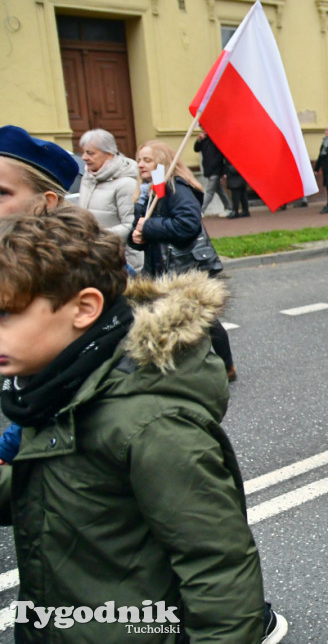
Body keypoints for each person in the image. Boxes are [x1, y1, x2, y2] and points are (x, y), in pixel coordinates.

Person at [0, 206, 285, 642]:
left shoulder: (151, 423)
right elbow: (48, 487)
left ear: (84, 308)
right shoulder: (52, 387)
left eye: (5, 314)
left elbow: (217, 566)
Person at [0, 125, 80, 471]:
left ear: (45, 203)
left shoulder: (81, 273)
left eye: (1, 193)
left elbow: (58, 385)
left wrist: (7, 448)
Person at [131, 140, 236, 381]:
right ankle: (174, 370)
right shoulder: (149, 191)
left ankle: (226, 366)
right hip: (158, 265)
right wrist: (136, 237)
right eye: (139, 159)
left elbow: (188, 224)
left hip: (184, 265)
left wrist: (148, 227)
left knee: (204, 319)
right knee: (163, 316)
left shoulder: (178, 188)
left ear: (162, 161)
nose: (140, 164)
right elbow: (141, 230)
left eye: (147, 160)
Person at [78, 128, 143, 271]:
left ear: (109, 154)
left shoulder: (126, 183)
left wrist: (95, 237)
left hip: (122, 261)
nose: (83, 157)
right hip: (95, 257)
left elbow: (130, 225)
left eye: (90, 153)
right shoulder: (88, 178)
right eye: (83, 152)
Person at [194, 127, 231, 216]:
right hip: (209, 170)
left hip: (216, 170)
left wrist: (223, 170)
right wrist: (198, 140)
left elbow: (221, 156)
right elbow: (196, 149)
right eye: (202, 129)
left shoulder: (216, 140)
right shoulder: (204, 140)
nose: (203, 131)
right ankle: (229, 208)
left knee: (210, 191)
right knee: (220, 190)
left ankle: (201, 210)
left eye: (204, 129)